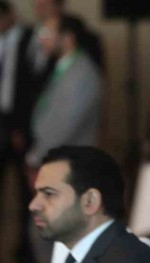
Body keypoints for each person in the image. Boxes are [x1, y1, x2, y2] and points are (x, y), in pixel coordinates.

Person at [26, 15, 102, 169]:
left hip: (68, 162)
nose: (41, 39)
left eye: (47, 33)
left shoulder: (82, 73)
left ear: (67, 38)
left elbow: (66, 124)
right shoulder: (64, 66)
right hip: (56, 158)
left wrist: (38, 156)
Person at [0, 1, 37, 263]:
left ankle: (26, 254)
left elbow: (34, 85)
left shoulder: (30, 38)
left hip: (21, 125)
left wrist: (22, 127)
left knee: (28, 193)